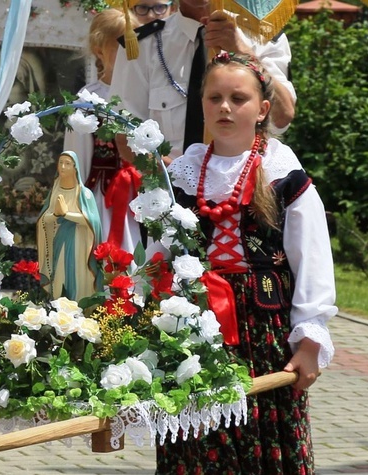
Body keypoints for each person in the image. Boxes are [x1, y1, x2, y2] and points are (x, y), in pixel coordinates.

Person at [163, 52, 336, 473]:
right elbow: (163, 255)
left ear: (261, 110)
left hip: (264, 331)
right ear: (201, 104)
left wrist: (310, 339)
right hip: (196, 325)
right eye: (214, 97)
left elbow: (312, 258)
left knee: (263, 437)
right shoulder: (184, 173)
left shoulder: (282, 172)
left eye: (238, 98)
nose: (224, 107)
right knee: (197, 441)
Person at [111, 0, 297, 160]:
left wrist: (243, 51)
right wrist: (180, 179)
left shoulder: (261, 38)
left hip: (244, 190)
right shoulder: (143, 45)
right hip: (169, 191)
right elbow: (126, 136)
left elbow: (282, 117)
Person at [63, 8, 144, 254]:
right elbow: (76, 156)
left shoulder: (146, 93)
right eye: (122, 45)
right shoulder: (89, 99)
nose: (131, 52)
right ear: (100, 50)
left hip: (143, 194)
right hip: (104, 195)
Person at [37, 151, 103, 302]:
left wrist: (67, 214)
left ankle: (81, 309)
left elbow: (93, 221)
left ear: (75, 168)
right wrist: (55, 215)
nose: (63, 166)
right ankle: (60, 310)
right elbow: (43, 219)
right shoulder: (54, 193)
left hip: (81, 245)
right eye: (60, 163)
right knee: (60, 274)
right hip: (60, 240)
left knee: (79, 276)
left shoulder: (84, 194)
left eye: (67, 163)